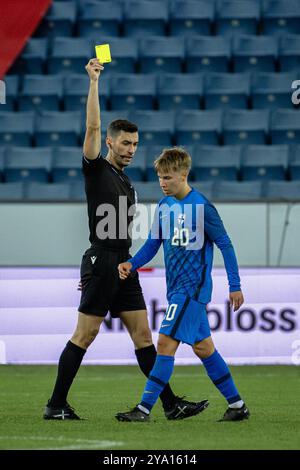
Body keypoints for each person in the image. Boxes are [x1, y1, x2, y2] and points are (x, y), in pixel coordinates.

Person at [43, 59, 208, 421]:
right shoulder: (96, 167)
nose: (131, 149)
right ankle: (56, 405)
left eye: (135, 144)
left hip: (123, 262)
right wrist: (94, 81)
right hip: (103, 260)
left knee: (144, 338)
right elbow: (91, 125)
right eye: (125, 143)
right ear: (109, 142)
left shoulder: (126, 180)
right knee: (84, 335)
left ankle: (170, 404)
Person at [116, 147, 250, 422]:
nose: (162, 183)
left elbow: (225, 244)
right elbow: (154, 244)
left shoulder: (202, 207)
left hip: (192, 289)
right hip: (176, 288)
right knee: (204, 348)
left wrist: (234, 285)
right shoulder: (164, 206)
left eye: (167, 177)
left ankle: (143, 410)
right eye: (160, 178)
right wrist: (132, 263)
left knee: (164, 344)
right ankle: (237, 406)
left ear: (183, 174)